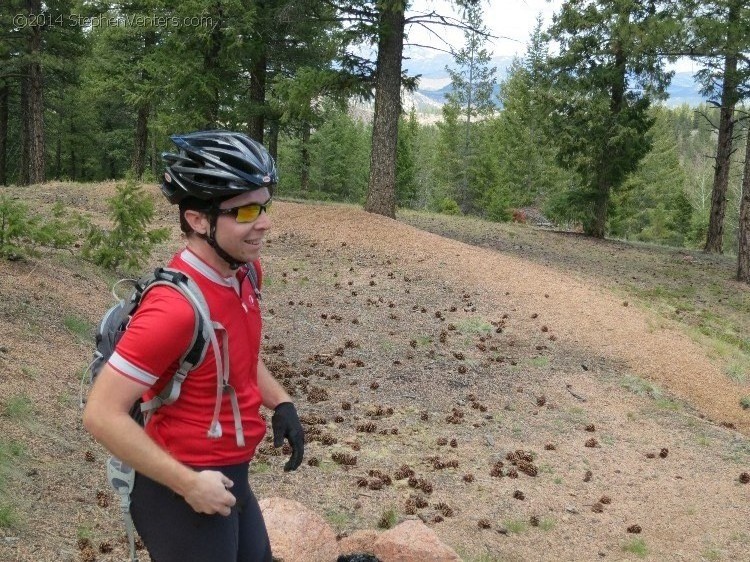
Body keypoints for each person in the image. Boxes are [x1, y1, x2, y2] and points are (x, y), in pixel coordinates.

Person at [83, 130, 304, 562]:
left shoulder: (245, 272)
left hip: (231, 475)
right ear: (198, 220)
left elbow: (233, 353)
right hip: (180, 490)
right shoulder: (173, 311)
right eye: (246, 210)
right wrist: (187, 484)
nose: (264, 222)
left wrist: (280, 402)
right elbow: (100, 414)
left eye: (265, 205)